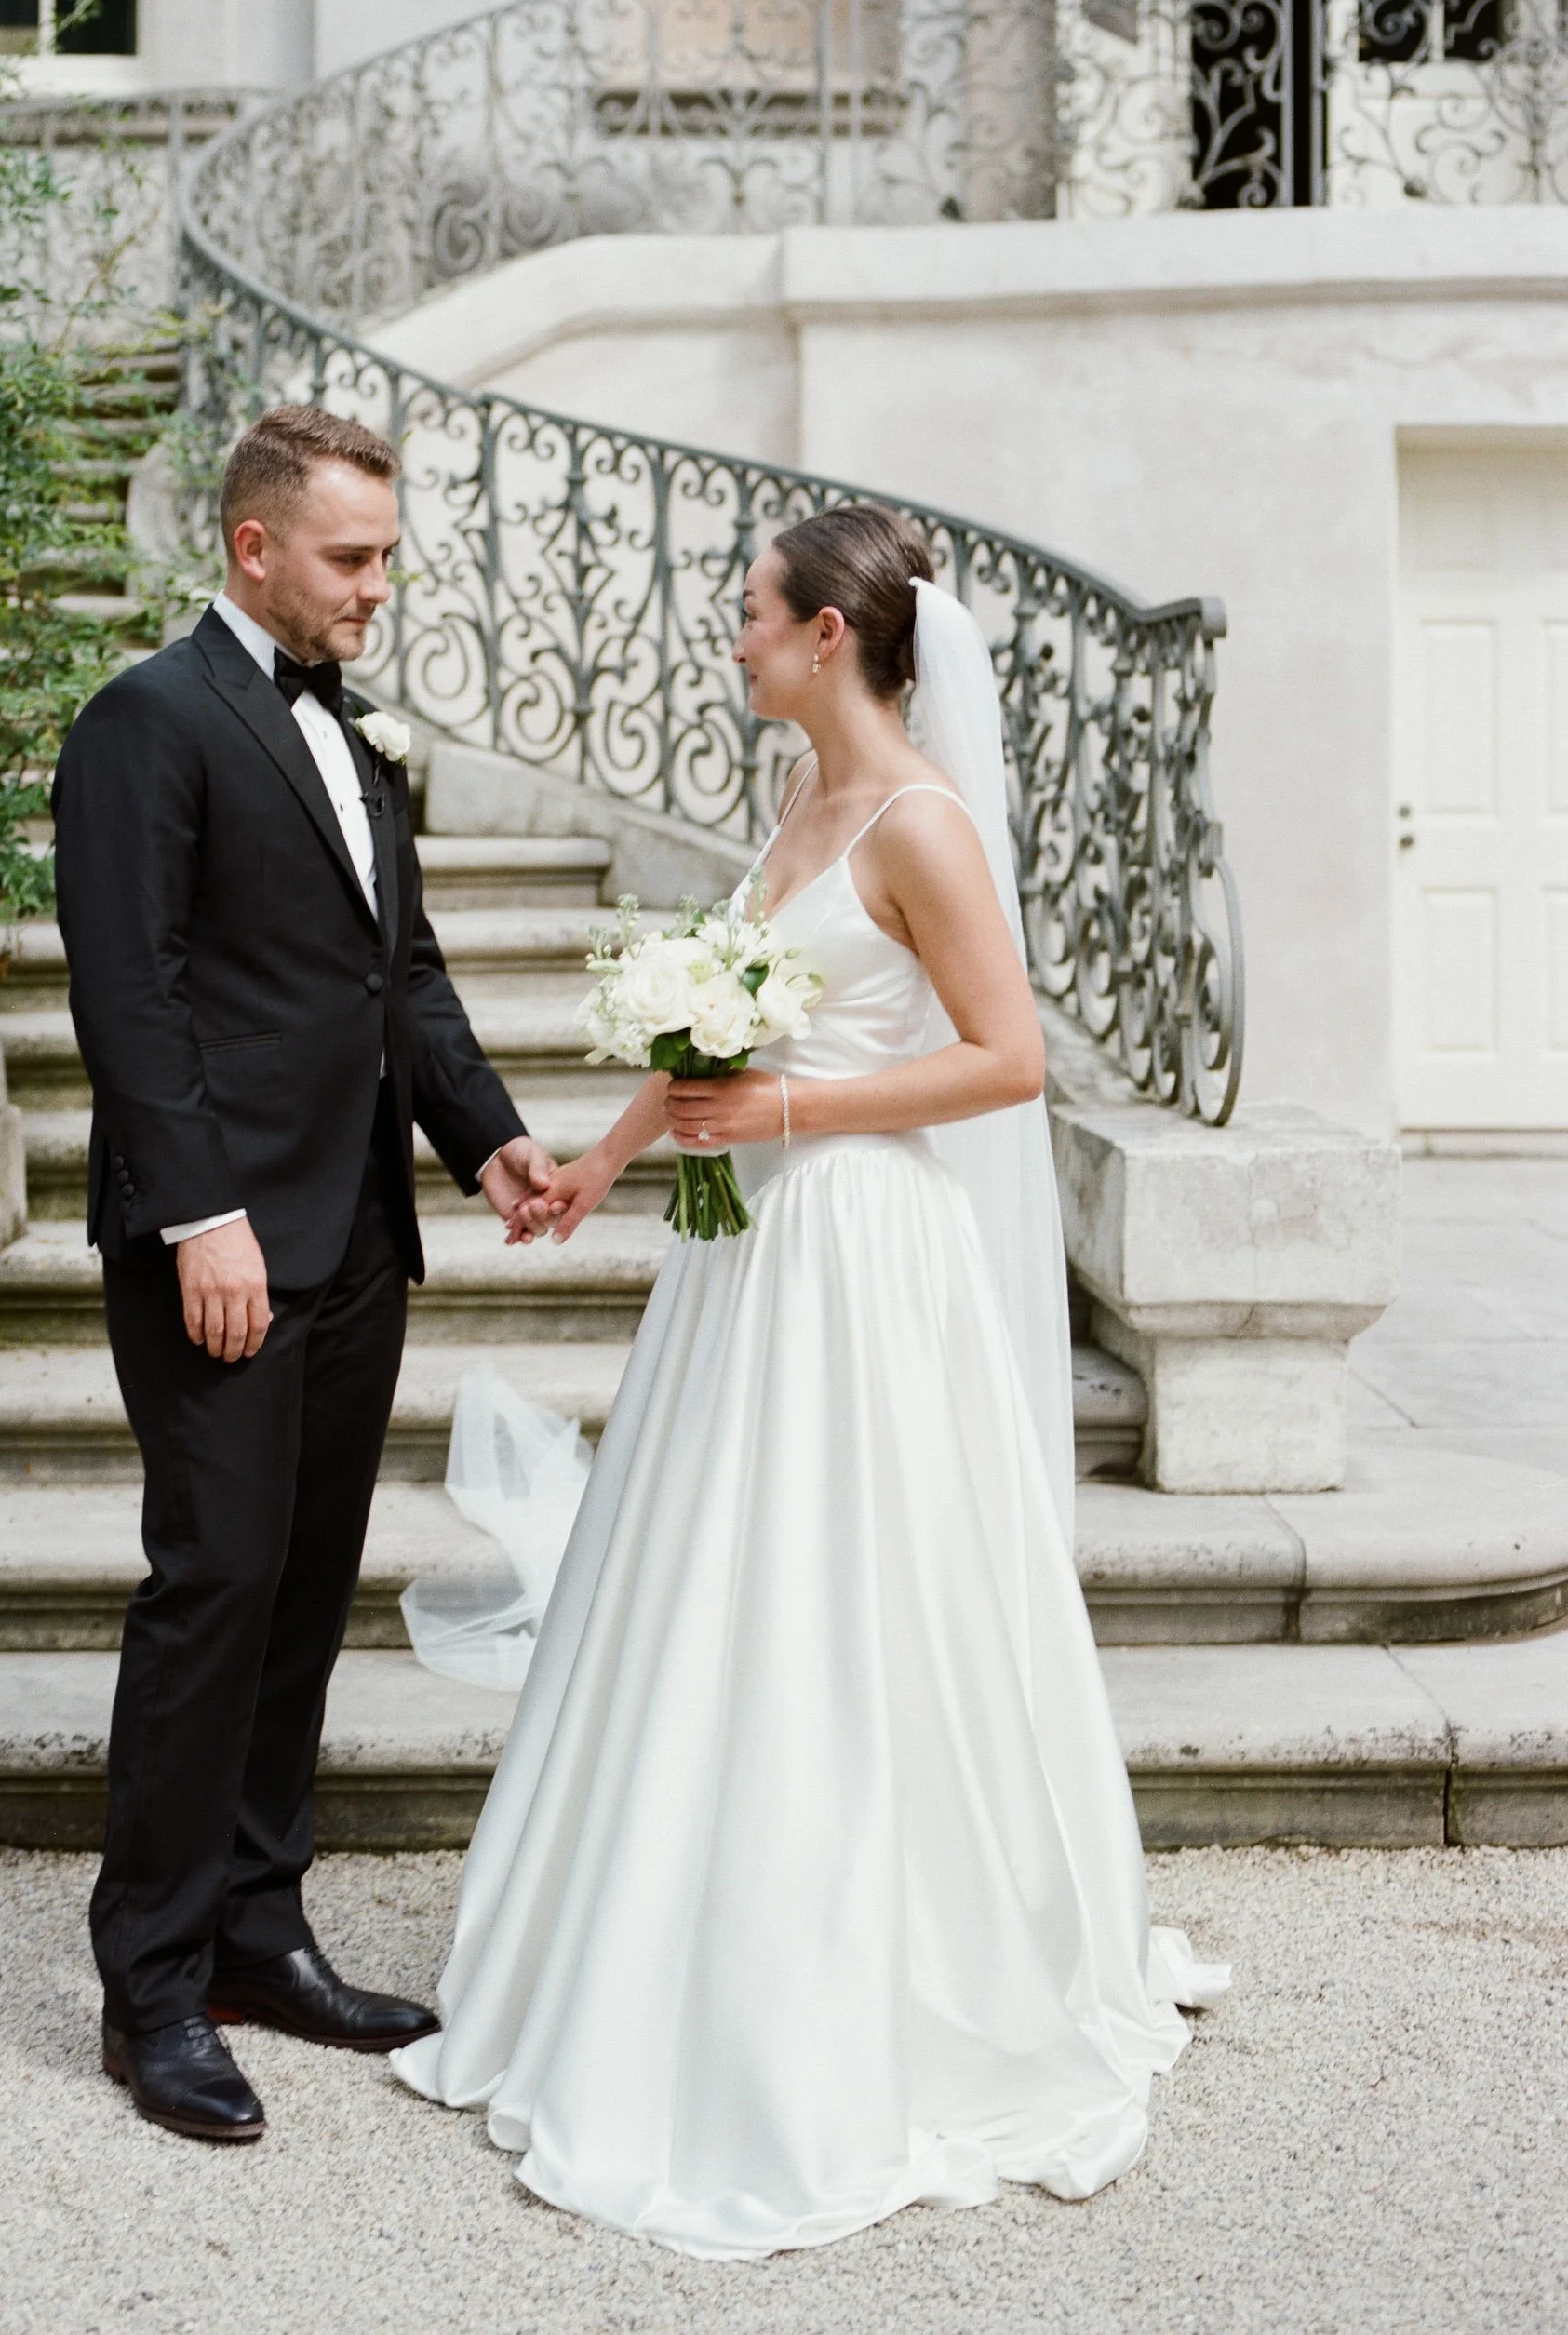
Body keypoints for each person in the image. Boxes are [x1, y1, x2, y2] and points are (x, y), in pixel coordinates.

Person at [393, 504, 1227, 2258]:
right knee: (708, 1578)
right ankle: (658, 1938)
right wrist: (603, 1162)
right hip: (740, 1256)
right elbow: (729, 1026)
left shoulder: (924, 823)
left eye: (750, 615)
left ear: (830, 637)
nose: (734, 638)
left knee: (853, 1594)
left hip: (860, 1248)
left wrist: (795, 1116)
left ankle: (875, 1964)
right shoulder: (797, 802)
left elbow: (1006, 1062)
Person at [53, 405, 555, 2142]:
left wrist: (483, 1137)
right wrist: (201, 1216)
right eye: (353, 557)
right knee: (213, 1590)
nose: (378, 587)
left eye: (388, 553)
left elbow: (395, 976)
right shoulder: (142, 720)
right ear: (255, 547)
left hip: (357, 1238)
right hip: (224, 1245)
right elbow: (129, 993)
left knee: (304, 1592)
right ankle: (156, 1988)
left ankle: (263, 1931)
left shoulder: (358, 741)